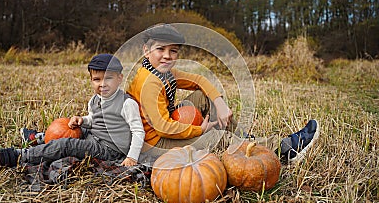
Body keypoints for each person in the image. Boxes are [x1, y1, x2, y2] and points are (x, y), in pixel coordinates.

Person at [126, 23, 319, 165]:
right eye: (160, 49)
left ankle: (246, 140)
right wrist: (201, 130)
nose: (167, 55)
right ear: (146, 50)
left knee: (205, 97)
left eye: (173, 51)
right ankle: (283, 150)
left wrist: (220, 104)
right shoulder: (149, 82)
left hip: (165, 126)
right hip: (154, 144)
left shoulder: (163, 72)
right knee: (215, 137)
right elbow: (163, 128)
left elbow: (199, 80)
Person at [0, 54, 145, 168]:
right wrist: (83, 120)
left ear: (119, 78)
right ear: (91, 80)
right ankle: (39, 138)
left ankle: (18, 156)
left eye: (108, 78)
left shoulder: (126, 103)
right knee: (71, 127)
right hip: (94, 136)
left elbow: (138, 131)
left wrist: (131, 157)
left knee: (66, 145)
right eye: (97, 79)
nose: (102, 84)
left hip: (109, 149)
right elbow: (94, 119)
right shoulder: (95, 100)